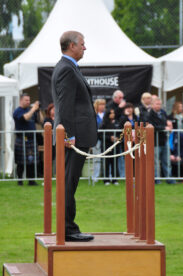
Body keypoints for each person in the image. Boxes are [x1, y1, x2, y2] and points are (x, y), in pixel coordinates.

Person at [51, 31, 97, 242]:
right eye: (82, 44)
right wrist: (68, 136)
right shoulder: (66, 69)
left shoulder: (68, 67)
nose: (84, 48)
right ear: (71, 46)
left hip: (75, 136)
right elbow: (66, 106)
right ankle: (68, 229)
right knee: (68, 183)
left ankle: (68, 227)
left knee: (70, 182)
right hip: (72, 138)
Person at [13, 93, 42, 186]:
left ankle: (31, 181)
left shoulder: (31, 110)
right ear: (21, 100)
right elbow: (25, 118)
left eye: (29, 100)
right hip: (21, 139)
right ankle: (20, 181)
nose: (28, 102)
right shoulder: (17, 111)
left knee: (31, 161)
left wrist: (38, 110)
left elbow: (41, 121)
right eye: (26, 100)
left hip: (31, 139)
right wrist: (33, 109)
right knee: (20, 162)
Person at [148, 95, 175, 184]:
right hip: (154, 142)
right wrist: (164, 127)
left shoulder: (163, 113)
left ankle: (169, 178)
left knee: (166, 161)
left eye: (160, 104)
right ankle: (156, 179)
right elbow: (151, 126)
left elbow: (167, 122)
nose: (159, 106)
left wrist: (169, 125)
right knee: (155, 162)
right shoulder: (149, 114)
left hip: (164, 140)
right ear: (152, 104)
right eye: (157, 104)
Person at [100, 108, 120, 185]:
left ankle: (115, 179)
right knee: (106, 163)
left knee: (114, 163)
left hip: (115, 146)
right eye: (111, 113)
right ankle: (106, 179)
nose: (113, 114)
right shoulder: (103, 123)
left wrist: (118, 138)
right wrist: (109, 138)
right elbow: (100, 135)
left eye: (113, 113)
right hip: (106, 146)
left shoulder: (117, 122)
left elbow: (120, 132)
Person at [92, 99, 106, 183]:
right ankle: (95, 176)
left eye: (104, 104)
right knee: (96, 158)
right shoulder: (93, 115)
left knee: (106, 158)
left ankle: (107, 176)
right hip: (96, 139)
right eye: (100, 104)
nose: (102, 106)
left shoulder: (107, 114)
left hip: (105, 138)